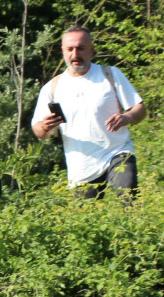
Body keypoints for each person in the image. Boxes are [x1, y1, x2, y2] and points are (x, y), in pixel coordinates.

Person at [31, 26, 147, 198]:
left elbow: (140, 109)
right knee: (86, 218)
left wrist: (127, 117)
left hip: (117, 152)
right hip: (81, 166)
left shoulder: (111, 74)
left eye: (81, 48)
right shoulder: (52, 88)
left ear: (92, 50)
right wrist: (45, 126)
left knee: (128, 198)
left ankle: (135, 224)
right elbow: (38, 131)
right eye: (70, 49)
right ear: (62, 51)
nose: (75, 54)